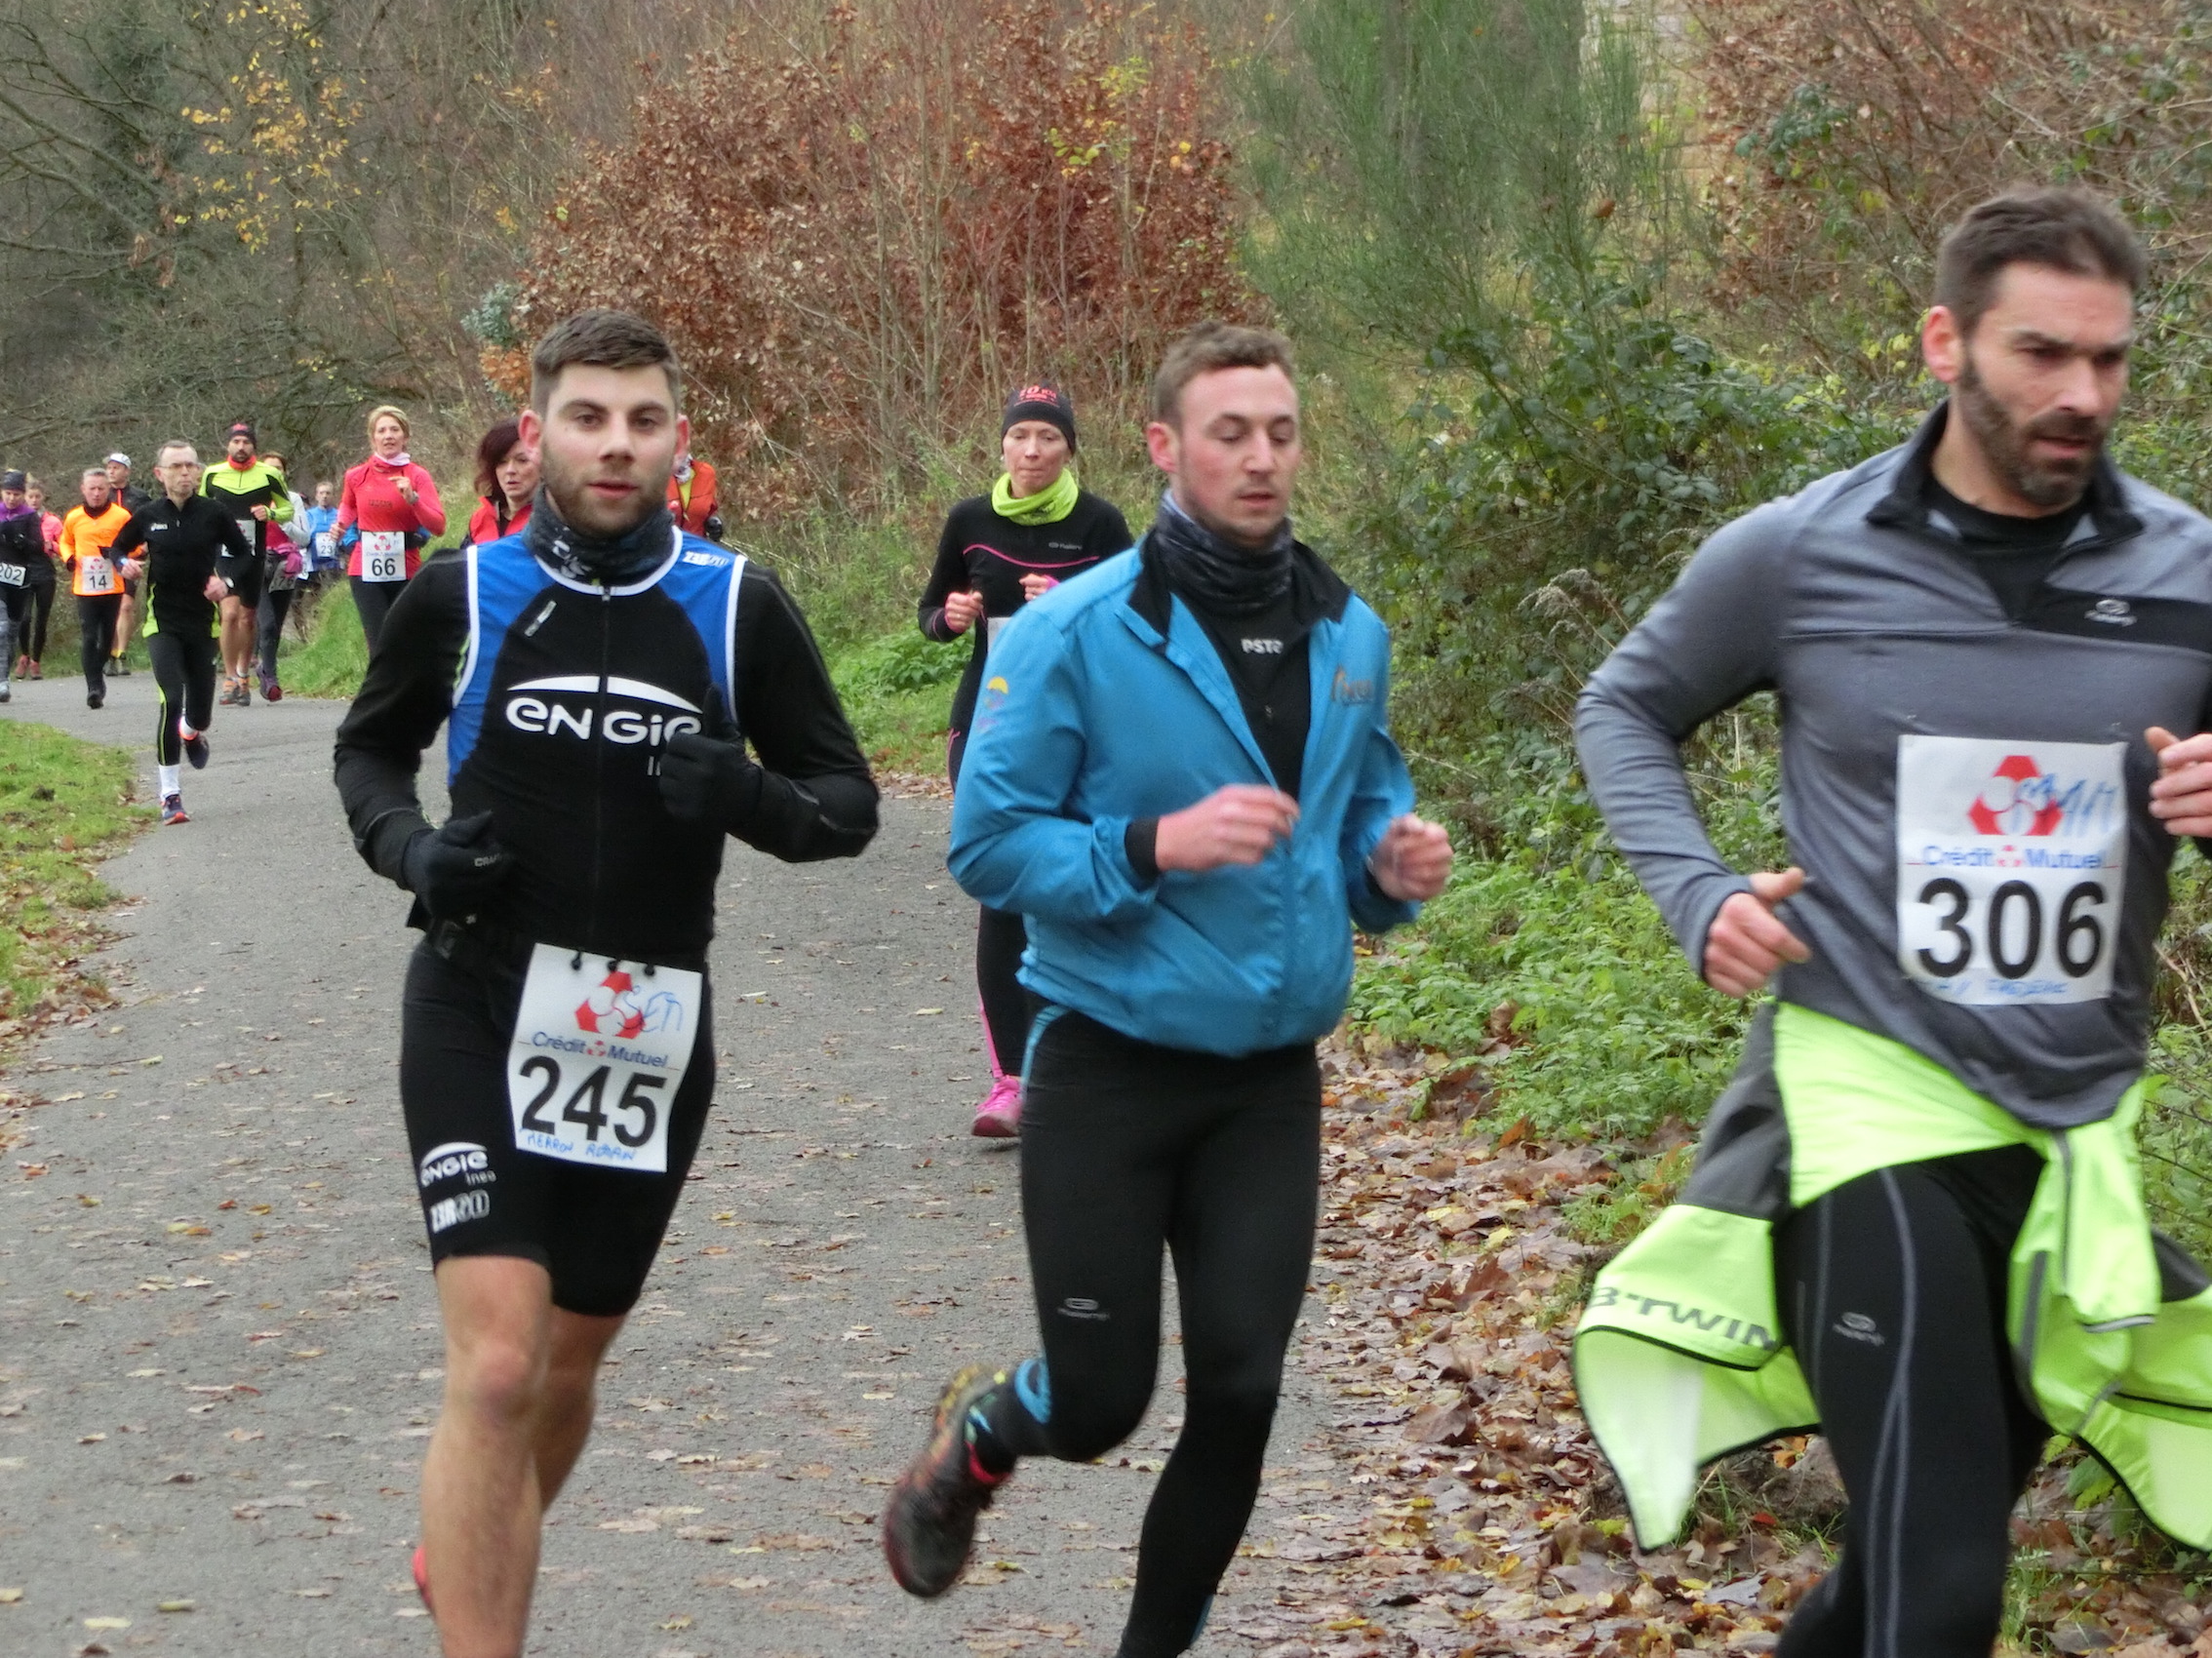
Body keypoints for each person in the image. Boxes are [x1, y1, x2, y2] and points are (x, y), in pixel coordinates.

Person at [1570, 186, 2212, 1658]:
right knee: (1943, 1595)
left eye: (2109, 359)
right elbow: (1625, 706)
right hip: (1866, 1106)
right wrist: (1698, 889)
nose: (2081, 393)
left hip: (2069, 1141)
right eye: (2042, 353)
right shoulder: (1802, 552)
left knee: (1896, 1577)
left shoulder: (2188, 570)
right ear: (1944, 342)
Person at [883, 322, 1454, 1654]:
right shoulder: (1076, 629)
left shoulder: (1349, 632)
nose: (1261, 458)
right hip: (1110, 1062)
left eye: (1281, 432)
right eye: (1230, 433)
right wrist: (1151, 846)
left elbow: (1359, 819)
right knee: (1099, 1402)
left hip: (1266, 1081)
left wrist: (1389, 866)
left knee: (1243, 1393)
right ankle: (982, 1431)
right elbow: (987, 842)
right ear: (1163, 446)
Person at [333, 308, 879, 1658]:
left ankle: (465, 1537)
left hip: (642, 1031)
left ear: (680, 440)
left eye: (643, 420)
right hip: (474, 999)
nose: (616, 443)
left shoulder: (737, 604)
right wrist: (412, 849)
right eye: (588, 417)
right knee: (498, 1362)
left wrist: (746, 794)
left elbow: (848, 802)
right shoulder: (461, 594)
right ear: (538, 435)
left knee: (563, 1368)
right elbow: (368, 752)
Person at [916, 383, 1131, 1134]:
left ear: (1070, 449)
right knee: (1003, 894)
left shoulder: (1100, 523)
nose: (1032, 450)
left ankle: (1083, 1069)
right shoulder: (969, 520)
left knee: (1077, 890)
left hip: (1079, 732)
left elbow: (1139, 624)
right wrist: (949, 617)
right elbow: (930, 614)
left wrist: (1069, 602)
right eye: (1020, 436)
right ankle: (1010, 1083)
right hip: (986, 725)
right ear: (1002, 445)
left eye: (1047, 437)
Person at [109, 442, 254, 825]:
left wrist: (226, 581)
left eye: (190, 465)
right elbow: (116, 548)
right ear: (160, 474)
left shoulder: (213, 513)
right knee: (171, 700)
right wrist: (124, 564)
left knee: (199, 714)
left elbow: (244, 553)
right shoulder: (148, 514)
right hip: (162, 622)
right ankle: (169, 795)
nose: (185, 472)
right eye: (176, 466)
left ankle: (191, 732)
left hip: (202, 622)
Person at [337, 404, 445, 653]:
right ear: (373, 438)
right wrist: (340, 525)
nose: (388, 436)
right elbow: (348, 506)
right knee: (379, 645)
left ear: (405, 436)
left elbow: (438, 526)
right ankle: (381, 681)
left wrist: (414, 499)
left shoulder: (417, 476)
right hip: (364, 569)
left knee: (406, 643)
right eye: (382, 430)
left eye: (395, 430)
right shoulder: (356, 476)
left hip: (406, 566)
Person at [199, 419, 292, 705]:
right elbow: (199, 508)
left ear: (254, 446)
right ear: (228, 445)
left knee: (247, 618)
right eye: (236, 442)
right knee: (228, 614)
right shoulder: (213, 474)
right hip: (225, 554)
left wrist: (270, 513)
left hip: (254, 554)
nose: (241, 447)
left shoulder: (269, 475)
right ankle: (229, 678)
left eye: (246, 442)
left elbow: (288, 509)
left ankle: (243, 674)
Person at [58, 466, 133, 708]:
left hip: (113, 586)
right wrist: (69, 558)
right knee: (89, 636)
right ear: (83, 489)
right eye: (92, 489)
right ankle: (94, 687)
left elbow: (135, 545)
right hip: (85, 588)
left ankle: (98, 671)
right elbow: (65, 542)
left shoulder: (121, 516)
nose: (97, 493)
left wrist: (120, 556)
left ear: (108, 489)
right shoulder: (74, 517)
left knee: (107, 637)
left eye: (101, 488)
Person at [251, 451, 307, 702]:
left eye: (279, 468)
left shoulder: (293, 499)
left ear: (285, 473)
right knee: (267, 624)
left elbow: (304, 538)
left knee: (276, 625)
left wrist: (281, 519)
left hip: (285, 567)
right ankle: (271, 678)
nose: (274, 472)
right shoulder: (250, 497)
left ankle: (264, 668)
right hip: (257, 566)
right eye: (269, 468)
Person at [4, 473, 57, 681]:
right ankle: (23, 655)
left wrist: (53, 547)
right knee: (23, 618)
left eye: (38, 497)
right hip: (20, 572)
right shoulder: (10, 516)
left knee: (41, 619)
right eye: (31, 497)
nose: (34, 500)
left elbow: (61, 545)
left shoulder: (49, 520)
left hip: (44, 572)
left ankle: (36, 660)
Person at [460, 417, 536, 550]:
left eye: (522, 460)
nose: (510, 470)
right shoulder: (480, 520)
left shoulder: (554, 519)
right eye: (502, 462)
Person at [0, 470, 43, 703]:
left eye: (16, 494)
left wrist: (22, 541)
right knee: (1, 627)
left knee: (12, 631)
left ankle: (4, 674)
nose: (11, 498)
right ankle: (1, 681)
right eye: (7, 493)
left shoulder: (29, 516)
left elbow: (38, 547)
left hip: (19, 578)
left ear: (23, 495)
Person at [104, 454, 148, 677]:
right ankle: (109, 653)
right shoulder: (101, 494)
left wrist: (146, 546)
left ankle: (121, 652)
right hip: (105, 558)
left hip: (132, 556)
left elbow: (150, 523)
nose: (111, 471)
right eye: (109, 468)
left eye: (116, 468)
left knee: (126, 606)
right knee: (110, 607)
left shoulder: (140, 497)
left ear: (127, 471)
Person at [665, 444, 720, 541]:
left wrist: (714, 522)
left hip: (696, 546)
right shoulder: (651, 476)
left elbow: (710, 510)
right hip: (660, 546)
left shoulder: (706, 473)